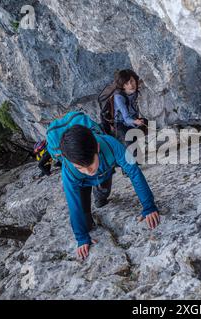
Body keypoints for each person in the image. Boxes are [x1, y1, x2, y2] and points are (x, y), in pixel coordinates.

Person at [59, 124, 160, 260]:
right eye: (80, 167)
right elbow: (73, 202)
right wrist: (81, 237)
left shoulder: (111, 144)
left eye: (89, 164)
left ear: (98, 148)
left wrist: (149, 206)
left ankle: (100, 194)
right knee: (87, 223)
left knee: (102, 197)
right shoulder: (68, 169)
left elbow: (133, 171)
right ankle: (93, 204)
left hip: (104, 172)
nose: (87, 171)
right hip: (82, 183)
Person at [113, 69, 148, 146]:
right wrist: (136, 122)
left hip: (133, 119)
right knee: (131, 146)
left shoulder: (135, 90)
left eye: (132, 81)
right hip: (120, 123)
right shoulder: (119, 97)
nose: (131, 85)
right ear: (122, 86)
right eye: (126, 83)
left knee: (147, 123)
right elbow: (126, 118)